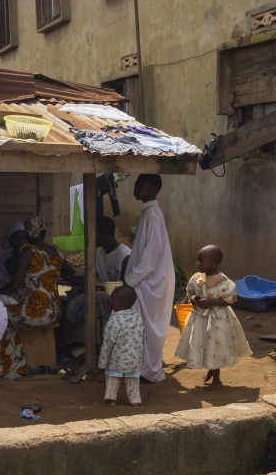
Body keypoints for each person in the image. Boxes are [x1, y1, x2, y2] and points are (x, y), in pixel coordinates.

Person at [0, 216, 82, 378]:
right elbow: (70, 274)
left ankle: (12, 365)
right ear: (44, 232)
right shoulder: (55, 251)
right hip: (55, 311)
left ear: (26, 234)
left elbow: (14, 285)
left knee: (0, 317)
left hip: (36, 312)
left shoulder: (28, 252)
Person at [174, 245, 252, 388]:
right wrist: (194, 300)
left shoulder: (224, 282)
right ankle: (211, 369)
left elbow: (229, 299)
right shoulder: (195, 278)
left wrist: (209, 302)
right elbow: (190, 293)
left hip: (218, 320)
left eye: (202, 261)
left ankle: (217, 378)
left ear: (214, 263)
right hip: (199, 318)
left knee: (215, 346)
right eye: (198, 260)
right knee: (204, 344)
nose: (198, 263)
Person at [123, 174, 175, 383]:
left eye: (141, 185)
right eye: (136, 184)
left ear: (153, 188)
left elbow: (151, 256)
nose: (136, 188)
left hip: (151, 282)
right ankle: (143, 368)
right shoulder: (148, 213)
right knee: (143, 327)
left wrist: (130, 282)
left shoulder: (153, 214)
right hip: (147, 280)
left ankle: (149, 371)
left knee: (149, 328)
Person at [98, 286, 145, 407]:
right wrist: (141, 357)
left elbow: (108, 342)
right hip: (134, 359)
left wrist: (102, 363)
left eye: (113, 300)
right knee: (133, 380)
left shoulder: (114, 320)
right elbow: (143, 339)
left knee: (113, 378)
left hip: (116, 360)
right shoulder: (138, 317)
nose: (111, 303)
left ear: (123, 304)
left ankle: (111, 399)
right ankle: (135, 400)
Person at [96, 216, 131, 284]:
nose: (92, 237)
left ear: (106, 235)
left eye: (96, 234)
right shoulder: (100, 254)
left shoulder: (124, 254)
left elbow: (126, 288)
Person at [0, 221, 26, 292]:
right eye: (17, 240)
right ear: (10, 242)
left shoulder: (30, 254)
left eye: (23, 239)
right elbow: (4, 281)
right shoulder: (7, 258)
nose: (21, 243)